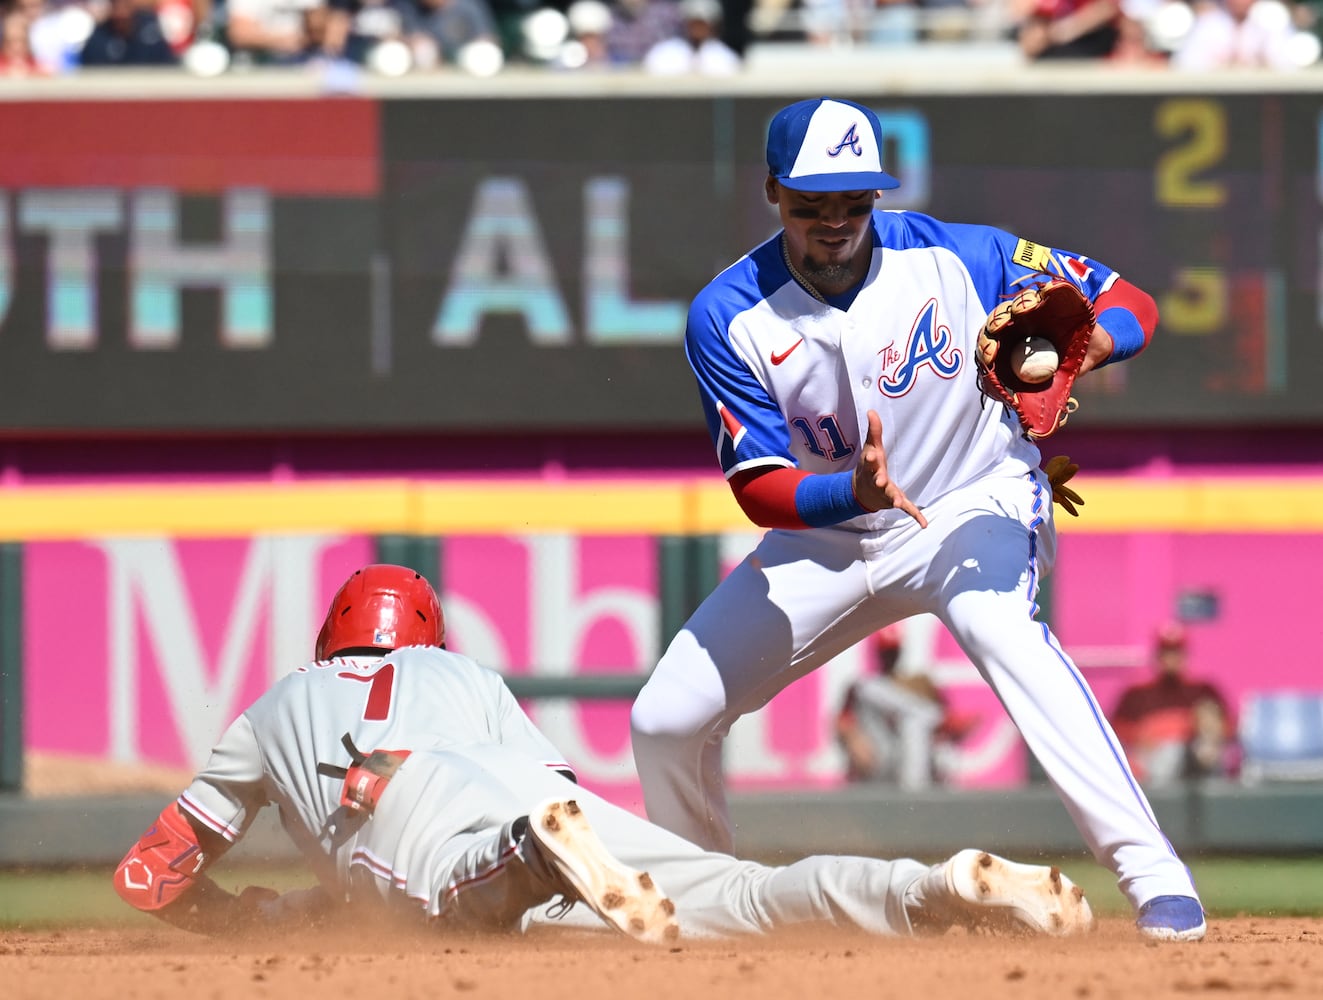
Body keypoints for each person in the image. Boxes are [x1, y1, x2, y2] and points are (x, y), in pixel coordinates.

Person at [628, 96, 1208, 944]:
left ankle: (1155, 879)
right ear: (771, 192)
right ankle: (702, 907)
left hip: (971, 501)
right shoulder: (727, 314)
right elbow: (756, 488)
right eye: (810, 203)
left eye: (852, 203)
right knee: (663, 720)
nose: (833, 222)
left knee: (1004, 633)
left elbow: (1131, 301)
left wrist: (1084, 346)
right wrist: (849, 497)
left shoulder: (962, 255)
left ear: (876, 196)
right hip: (827, 536)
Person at [112, 564, 1096, 943]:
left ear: (329, 635)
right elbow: (555, 785)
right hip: (534, 797)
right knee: (739, 895)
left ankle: (534, 853)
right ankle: (935, 887)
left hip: (416, 815)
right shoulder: (469, 677)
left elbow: (152, 873)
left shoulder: (277, 700)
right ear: (424, 632)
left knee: (453, 899)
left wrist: (235, 924)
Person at [834, 625, 976, 788]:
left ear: (900, 652)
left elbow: (941, 733)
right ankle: (940, 718)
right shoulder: (861, 687)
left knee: (914, 723)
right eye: (886, 652)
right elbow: (842, 723)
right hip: (878, 756)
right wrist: (852, 737)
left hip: (910, 760)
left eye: (892, 652)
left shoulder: (918, 683)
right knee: (868, 689)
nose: (889, 658)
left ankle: (914, 795)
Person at [1111, 622, 1235, 786]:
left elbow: (1228, 726)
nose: (1171, 659)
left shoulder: (1202, 689)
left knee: (1205, 751)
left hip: (1194, 760)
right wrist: (1143, 735)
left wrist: (1192, 728)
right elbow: (1116, 728)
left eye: (1176, 652)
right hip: (1152, 761)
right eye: (1166, 653)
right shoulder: (1137, 693)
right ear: (1157, 655)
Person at [640, 0, 739, 73]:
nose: (698, 28)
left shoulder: (725, 57)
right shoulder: (663, 53)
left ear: (713, 25)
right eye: (693, 23)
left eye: (702, 23)